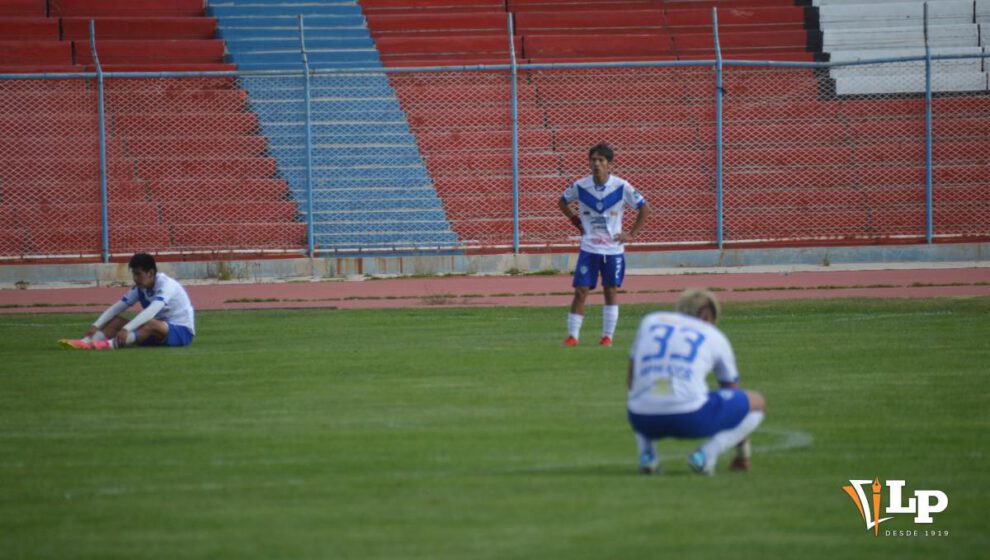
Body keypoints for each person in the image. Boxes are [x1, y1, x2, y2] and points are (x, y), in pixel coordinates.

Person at [626, 289, 766, 475]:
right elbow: (733, 392)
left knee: (647, 390)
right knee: (756, 402)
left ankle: (647, 456)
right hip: (690, 418)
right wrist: (742, 454)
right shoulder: (714, 335)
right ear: (707, 315)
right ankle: (705, 455)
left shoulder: (651, 321)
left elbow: (631, 380)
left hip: (641, 419)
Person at [559, 142, 650, 347]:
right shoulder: (581, 186)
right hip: (589, 248)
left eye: (601, 160)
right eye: (593, 160)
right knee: (581, 290)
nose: (596, 164)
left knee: (610, 290)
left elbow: (645, 209)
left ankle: (607, 336)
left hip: (613, 249)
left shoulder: (621, 187)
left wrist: (631, 234)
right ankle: (573, 336)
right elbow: (562, 201)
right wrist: (575, 221)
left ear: (609, 164)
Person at [57, 252, 195, 350]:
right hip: (155, 332)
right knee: (117, 320)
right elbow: (118, 306)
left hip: (182, 333)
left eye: (138, 274)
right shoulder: (140, 287)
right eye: (133, 274)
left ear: (151, 273)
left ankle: (110, 345)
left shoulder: (166, 285)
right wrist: (96, 324)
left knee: (149, 322)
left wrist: (126, 329)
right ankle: (86, 342)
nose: (135, 278)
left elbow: (151, 311)